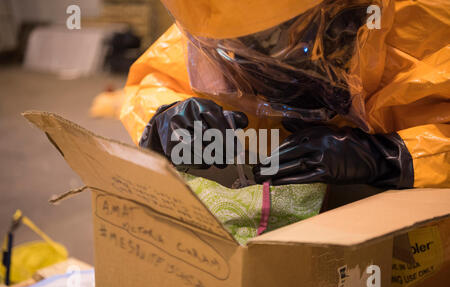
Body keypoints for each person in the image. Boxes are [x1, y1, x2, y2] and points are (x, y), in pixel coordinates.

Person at [120, 0, 450, 188]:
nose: (262, 64)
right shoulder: (215, 34)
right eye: (243, 48)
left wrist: (390, 157)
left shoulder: (430, 20)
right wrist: (165, 119)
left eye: (283, 41)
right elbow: (156, 79)